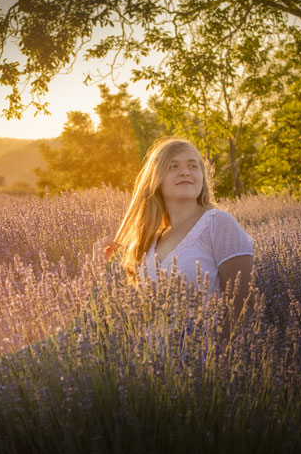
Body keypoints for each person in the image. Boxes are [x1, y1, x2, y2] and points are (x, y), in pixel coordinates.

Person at [93, 137, 254, 334]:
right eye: (173, 166)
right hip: (153, 363)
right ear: (156, 179)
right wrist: (102, 271)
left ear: (202, 178)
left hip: (205, 360)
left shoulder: (217, 223)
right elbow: (134, 320)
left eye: (193, 166)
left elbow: (244, 308)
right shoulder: (150, 241)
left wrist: (218, 360)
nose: (185, 171)